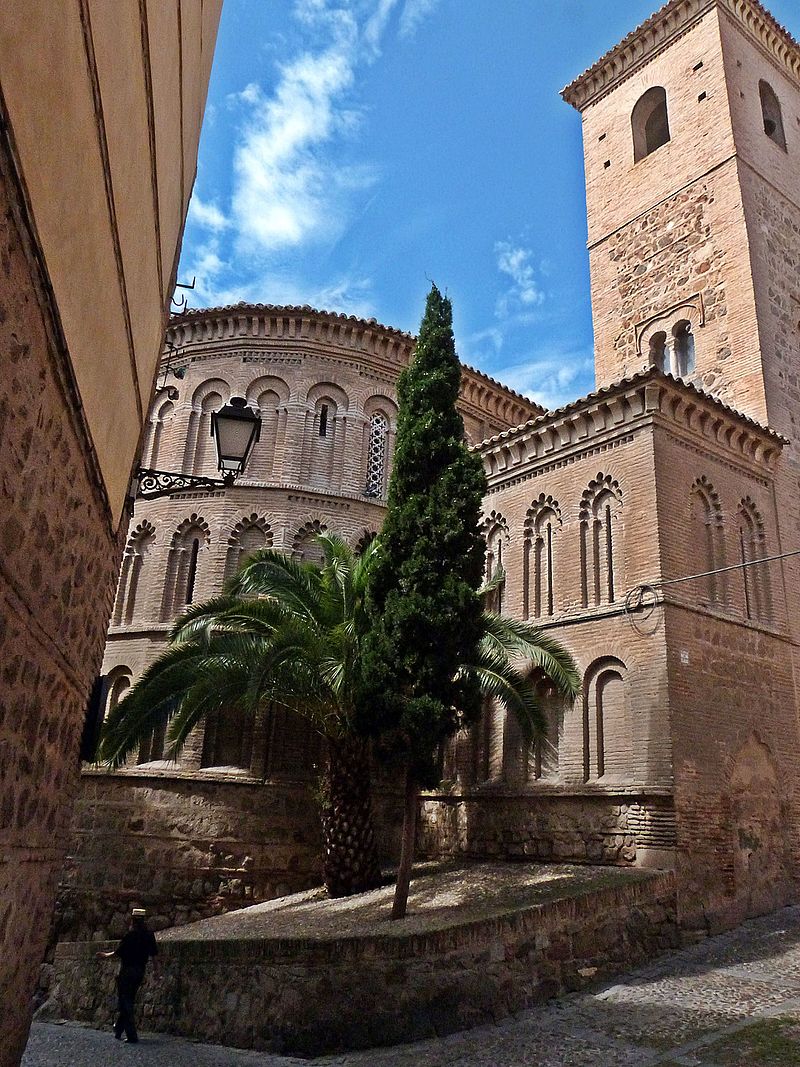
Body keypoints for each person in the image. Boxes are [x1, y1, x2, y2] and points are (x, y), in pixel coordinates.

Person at [96, 907, 158, 1043]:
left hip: (127, 971)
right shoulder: (149, 935)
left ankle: (131, 1035)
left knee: (125, 1001)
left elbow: (118, 952)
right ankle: (118, 1029)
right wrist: (156, 972)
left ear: (133, 920)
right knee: (128, 999)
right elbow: (154, 956)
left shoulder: (130, 935)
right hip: (140, 971)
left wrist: (104, 955)